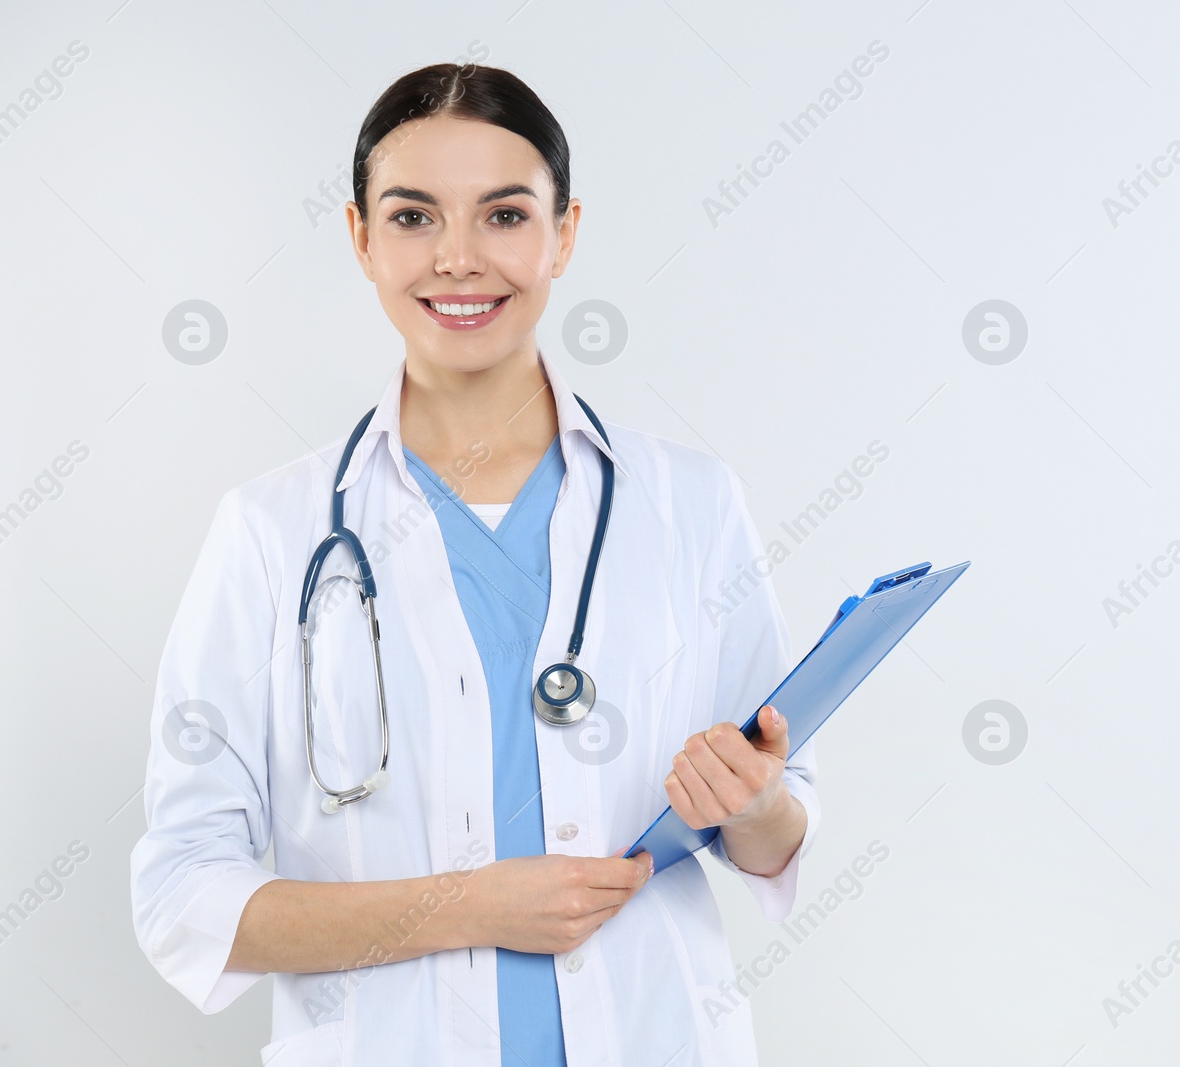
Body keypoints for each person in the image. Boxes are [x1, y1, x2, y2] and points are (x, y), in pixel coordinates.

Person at [128, 61, 817, 1066]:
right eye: (412, 217)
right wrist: (460, 907)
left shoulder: (691, 502)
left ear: (565, 233)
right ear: (361, 237)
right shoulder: (271, 533)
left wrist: (757, 805)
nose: (458, 259)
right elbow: (182, 895)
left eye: (503, 215)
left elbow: (773, 830)